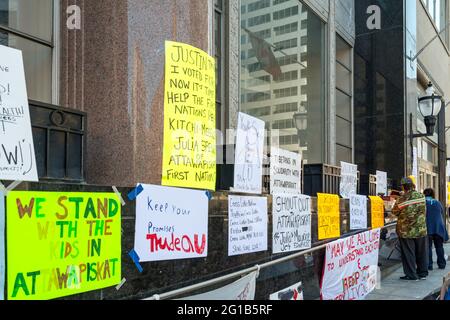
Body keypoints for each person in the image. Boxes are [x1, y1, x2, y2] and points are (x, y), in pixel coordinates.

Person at [392, 177, 429, 281]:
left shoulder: (401, 199)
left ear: (403, 187)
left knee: (408, 253)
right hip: (421, 229)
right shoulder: (421, 196)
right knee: (421, 252)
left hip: (406, 231)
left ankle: (411, 275)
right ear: (413, 185)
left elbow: (395, 212)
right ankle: (422, 273)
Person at [423, 188, 449, 270]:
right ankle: (441, 264)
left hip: (428, 227)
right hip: (438, 227)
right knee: (439, 246)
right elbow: (441, 212)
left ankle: (429, 265)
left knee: (428, 247)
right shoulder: (437, 203)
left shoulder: (423, 203)